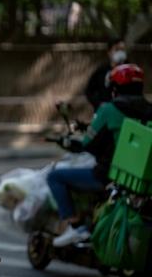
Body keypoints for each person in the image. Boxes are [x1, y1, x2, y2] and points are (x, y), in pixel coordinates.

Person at [48, 64, 152, 247]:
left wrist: (68, 143)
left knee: (55, 176)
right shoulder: (149, 110)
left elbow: (88, 144)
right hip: (142, 183)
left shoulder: (109, 109)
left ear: (114, 88)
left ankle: (76, 227)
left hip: (109, 176)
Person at [84, 38, 128, 111]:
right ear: (109, 52)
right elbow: (89, 91)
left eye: (122, 50)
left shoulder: (131, 71)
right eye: (117, 50)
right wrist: (98, 104)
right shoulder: (101, 71)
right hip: (105, 113)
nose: (120, 53)